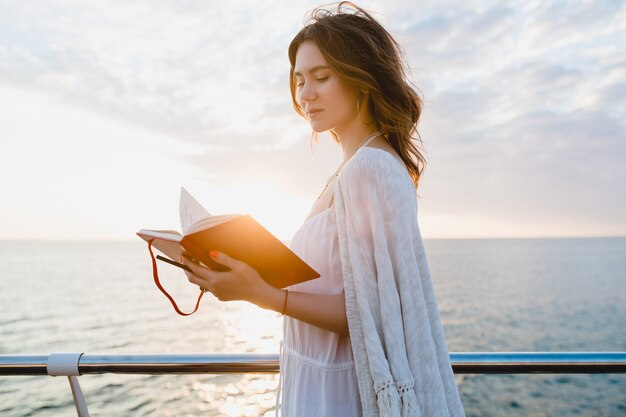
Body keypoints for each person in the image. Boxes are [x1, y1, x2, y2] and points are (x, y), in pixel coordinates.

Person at [180, 2, 466, 417]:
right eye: (298, 80)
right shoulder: (350, 168)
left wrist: (260, 293)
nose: (305, 94)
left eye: (321, 77)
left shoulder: (371, 168)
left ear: (362, 80)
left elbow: (374, 315)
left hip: (340, 391)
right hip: (317, 377)